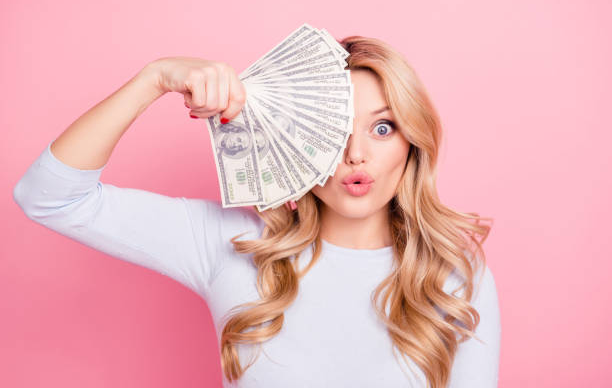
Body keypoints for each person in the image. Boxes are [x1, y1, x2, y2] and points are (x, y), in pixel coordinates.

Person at [13, 35, 501, 388]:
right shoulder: (232, 244)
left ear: (412, 141)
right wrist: (154, 78)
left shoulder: (455, 274)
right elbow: (49, 197)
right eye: (334, 130)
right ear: (297, 140)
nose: (356, 155)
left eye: (382, 129)